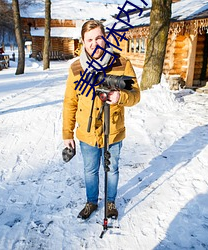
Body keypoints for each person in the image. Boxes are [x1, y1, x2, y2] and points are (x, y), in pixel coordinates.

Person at [62, 20, 140, 220]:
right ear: (83, 42)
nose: (94, 43)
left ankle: (111, 202)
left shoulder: (122, 63)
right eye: (89, 39)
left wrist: (120, 97)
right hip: (87, 133)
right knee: (90, 170)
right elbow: (70, 102)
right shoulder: (76, 68)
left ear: (104, 39)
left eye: (98, 38)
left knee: (112, 168)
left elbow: (136, 95)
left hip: (113, 130)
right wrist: (67, 134)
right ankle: (91, 202)